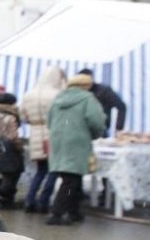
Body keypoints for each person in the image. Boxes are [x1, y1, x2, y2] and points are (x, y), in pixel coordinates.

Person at [45, 72, 106, 226]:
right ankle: (57, 213)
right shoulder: (88, 99)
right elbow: (96, 121)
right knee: (70, 180)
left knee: (72, 177)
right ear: (86, 86)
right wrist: (96, 134)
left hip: (58, 140)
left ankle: (74, 212)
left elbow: (49, 120)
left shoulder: (57, 99)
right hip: (78, 141)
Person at [19, 65, 66, 213]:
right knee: (53, 170)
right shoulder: (58, 94)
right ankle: (43, 202)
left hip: (35, 134)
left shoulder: (28, 94)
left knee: (40, 171)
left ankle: (29, 200)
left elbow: (23, 117)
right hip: (53, 133)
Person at [78, 67, 127, 206]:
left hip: (100, 132)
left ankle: (106, 194)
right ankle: (77, 192)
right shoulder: (76, 92)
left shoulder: (103, 90)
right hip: (80, 131)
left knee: (105, 162)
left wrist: (119, 128)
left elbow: (121, 106)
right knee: (78, 162)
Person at [0, 93, 24, 208]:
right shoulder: (11, 117)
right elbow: (13, 137)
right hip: (7, 149)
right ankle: (4, 198)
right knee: (11, 173)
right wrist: (20, 147)